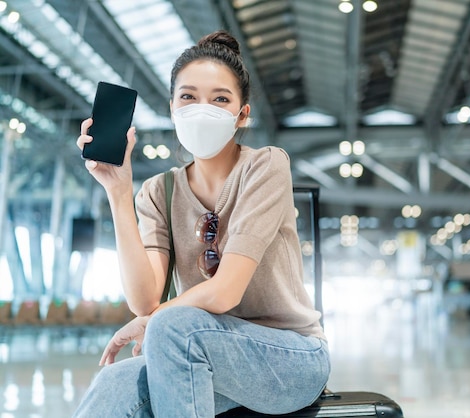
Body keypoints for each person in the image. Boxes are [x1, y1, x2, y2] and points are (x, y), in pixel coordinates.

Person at [73, 30, 330, 417]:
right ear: (173, 107)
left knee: (174, 326)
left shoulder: (265, 166)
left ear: (242, 114)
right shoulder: (161, 190)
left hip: (289, 358)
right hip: (195, 349)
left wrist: (151, 321)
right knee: (113, 385)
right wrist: (118, 191)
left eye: (220, 99)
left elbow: (224, 292)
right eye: (189, 97)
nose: (201, 109)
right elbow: (144, 299)